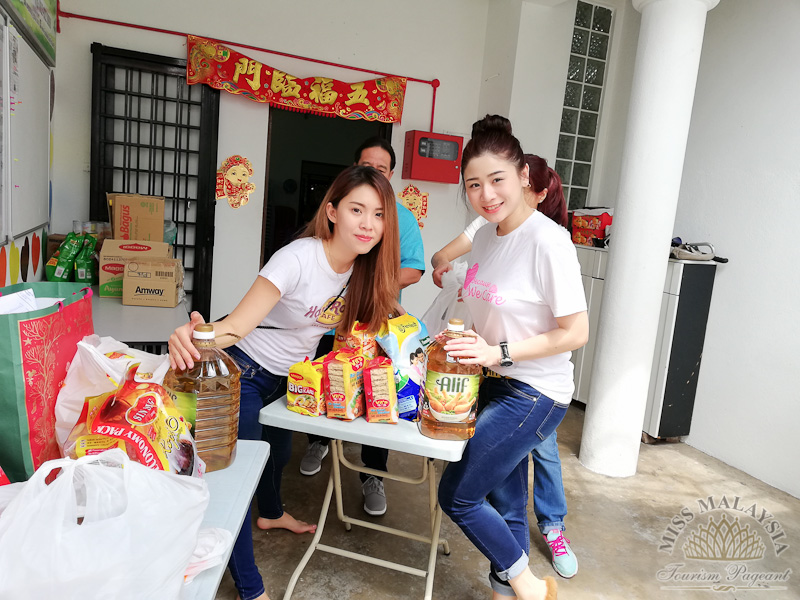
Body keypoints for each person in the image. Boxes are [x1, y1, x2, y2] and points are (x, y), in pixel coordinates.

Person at [168, 166, 400, 600]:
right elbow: (236, 326)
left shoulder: (364, 269)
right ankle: (251, 588)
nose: (368, 224)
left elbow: (378, 330)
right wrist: (195, 335)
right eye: (356, 210)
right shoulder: (297, 258)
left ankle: (272, 514)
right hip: (245, 374)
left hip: (291, 382)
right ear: (332, 212)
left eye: (379, 214)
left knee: (278, 457)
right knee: (236, 482)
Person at [436, 115, 588, 600]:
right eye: (473, 184)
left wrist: (496, 351)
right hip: (493, 380)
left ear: (524, 175)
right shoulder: (485, 236)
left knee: (458, 495)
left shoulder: (549, 242)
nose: (486, 194)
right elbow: (488, 310)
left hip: (535, 392)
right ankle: (506, 590)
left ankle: (530, 587)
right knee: (505, 500)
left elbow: (576, 332)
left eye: (497, 179)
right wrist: (458, 341)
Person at [301, 136, 425, 518]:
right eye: (366, 166)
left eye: (381, 169)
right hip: (330, 324)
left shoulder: (401, 218)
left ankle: (373, 474)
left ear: (392, 174)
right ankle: (318, 442)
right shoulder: (339, 209)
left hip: (374, 326)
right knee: (325, 384)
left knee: (378, 397)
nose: (374, 173)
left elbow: (414, 268)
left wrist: (374, 282)